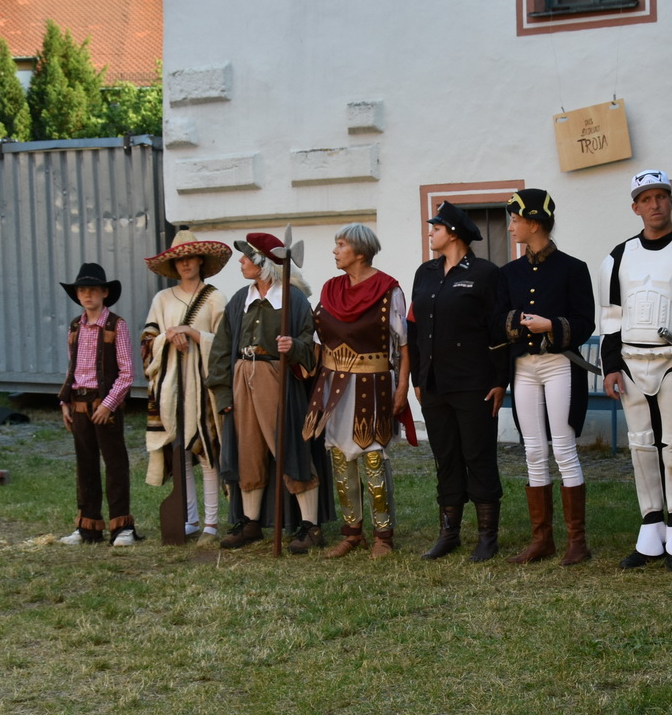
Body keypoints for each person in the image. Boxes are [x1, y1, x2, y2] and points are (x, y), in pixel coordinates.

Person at [600, 170, 672, 572]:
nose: (654, 205)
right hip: (632, 363)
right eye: (646, 199)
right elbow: (611, 316)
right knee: (642, 445)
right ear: (635, 207)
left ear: (671, 200)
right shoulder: (619, 255)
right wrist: (611, 366)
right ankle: (651, 528)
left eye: (661, 197)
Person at [208, 233, 325, 554]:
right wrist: (223, 394)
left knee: (289, 447)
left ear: (264, 263)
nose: (241, 261)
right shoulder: (239, 300)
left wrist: (293, 346)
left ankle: (311, 526)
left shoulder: (293, 300)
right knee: (248, 449)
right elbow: (220, 349)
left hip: (277, 379)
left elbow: (312, 346)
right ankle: (250, 522)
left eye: (247, 257)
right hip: (241, 378)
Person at [302, 223, 411, 558]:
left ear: (360, 252)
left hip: (373, 383)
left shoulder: (388, 289)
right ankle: (352, 533)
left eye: (341, 244)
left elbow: (404, 345)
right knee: (339, 456)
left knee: (373, 456)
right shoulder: (331, 289)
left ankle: (383, 536)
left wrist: (402, 387)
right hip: (334, 384)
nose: (335, 251)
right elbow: (318, 342)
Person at [409, 202, 510, 562]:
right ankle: (448, 533)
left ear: (453, 233)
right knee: (446, 457)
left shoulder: (485, 273)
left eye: (436, 227)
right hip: (433, 383)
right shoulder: (425, 272)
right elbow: (414, 328)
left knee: (478, 457)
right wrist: (417, 376)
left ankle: (487, 537)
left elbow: (498, 330)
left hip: (474, 382)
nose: (430, 232)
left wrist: (500, 379)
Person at [501, 189, 597, 565]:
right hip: (524, 368)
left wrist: (551, 325)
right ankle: (542, 540)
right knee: (533, 450)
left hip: (559, 364)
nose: (511, 227)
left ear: (534, 223)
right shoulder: (510, 272)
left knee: (563, 448)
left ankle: (577, 542)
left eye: (515, 220)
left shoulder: (573, 268)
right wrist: (517, 324)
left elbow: (585, 322)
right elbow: (498, 318)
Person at [141, 230, 232, 539]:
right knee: (180, 452)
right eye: (180, 259)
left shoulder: (215, 297)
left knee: (207, 451)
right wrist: (169, 336)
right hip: (170, 388)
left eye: (191, 257)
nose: (186, 263)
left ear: (200, 260)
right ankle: (189, 519)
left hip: (204, 388)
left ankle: (211, 523)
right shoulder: (162, 299)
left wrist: (193, 334)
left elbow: (226, 343)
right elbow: (148, 341)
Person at [57, 263, 138, 546]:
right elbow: (72, 368)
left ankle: (122, 527)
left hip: (106, 405)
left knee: (115, 464)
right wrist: (65, 400)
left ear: (104, 293)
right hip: (79, 403)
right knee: (85, 464)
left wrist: (108, 404)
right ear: (77, 295)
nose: (87, 294)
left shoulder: (116, 325)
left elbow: (127, 372)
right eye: (82, 290)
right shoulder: (75, 326)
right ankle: (88, 526)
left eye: (93, 289)